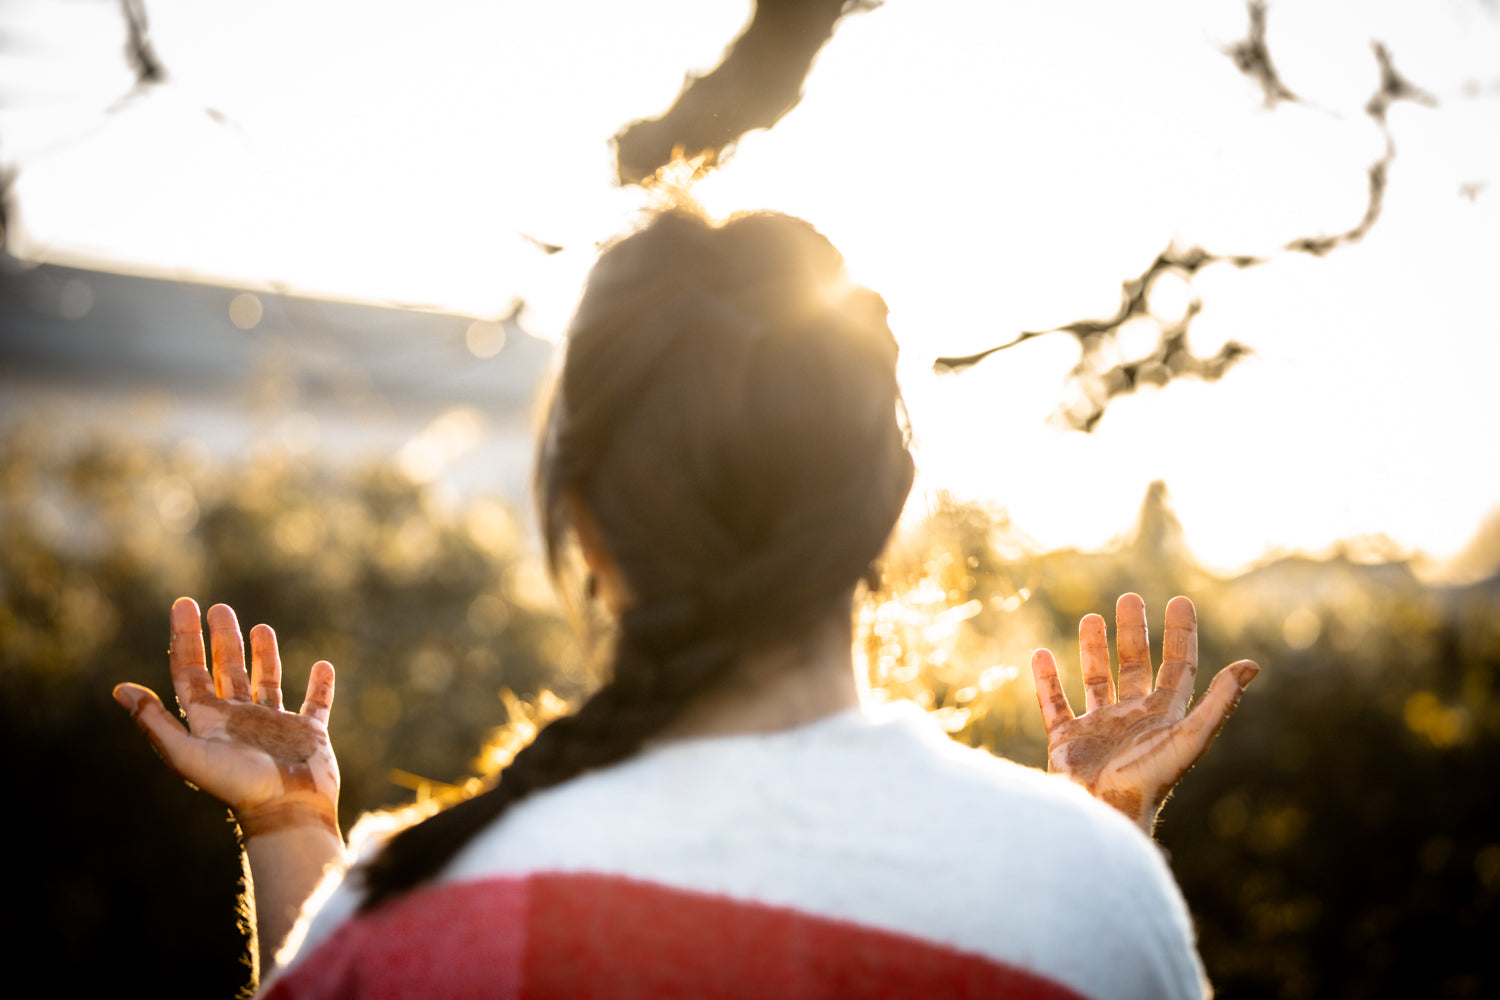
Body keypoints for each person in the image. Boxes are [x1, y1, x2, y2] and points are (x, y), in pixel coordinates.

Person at [113, 208, 1260, 999]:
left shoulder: (404, 907)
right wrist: (1097, 860)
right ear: (887, 505)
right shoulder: (1081, 894)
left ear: (581, 519)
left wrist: (292, 835)